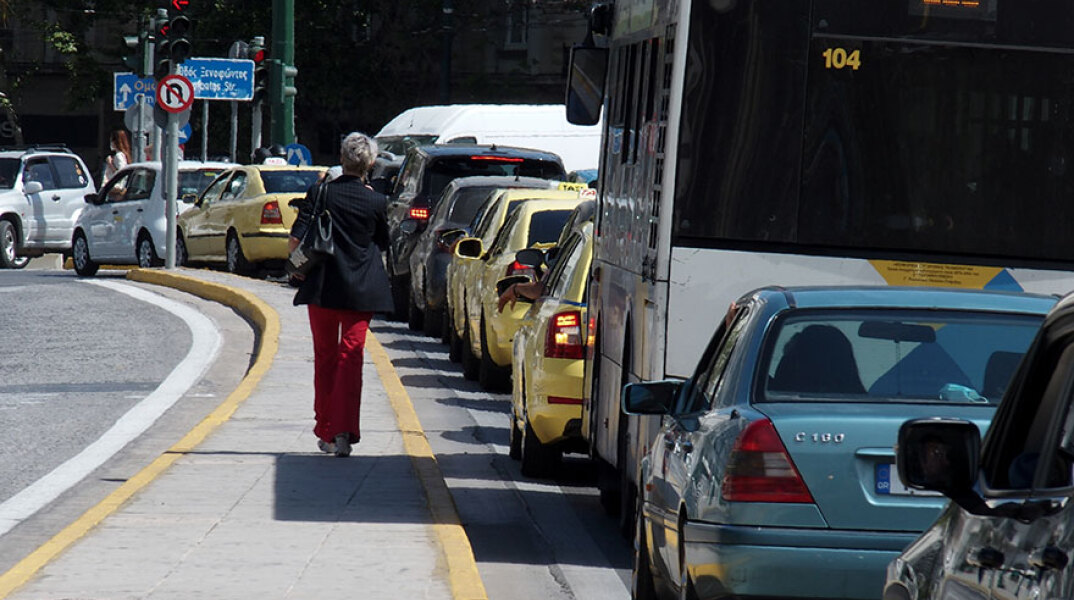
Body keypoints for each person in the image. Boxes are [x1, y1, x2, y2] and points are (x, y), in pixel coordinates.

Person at [288, 132, 393, 457]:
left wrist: (297, 267)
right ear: (371, 164)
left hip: (321, 286)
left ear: (342, 158)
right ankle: (344, 432)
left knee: (325, 358)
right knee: (351, 357)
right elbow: (383, 242)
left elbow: (295, 240)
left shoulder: (319, 193)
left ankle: (326, 430)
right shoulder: (377, 201)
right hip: (360, 289)